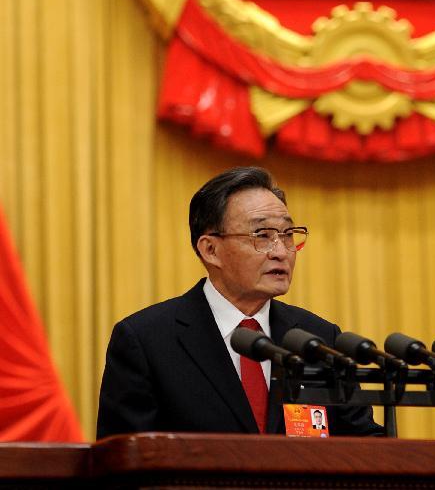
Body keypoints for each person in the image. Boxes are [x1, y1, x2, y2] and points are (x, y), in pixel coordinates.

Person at [96, 166, 382, 438]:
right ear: (210, 249)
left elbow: (362, 445)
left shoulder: (318, 339)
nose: (281, 251)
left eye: (287, 235)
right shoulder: (147, 341)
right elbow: (124, 464)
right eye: (263, 236)